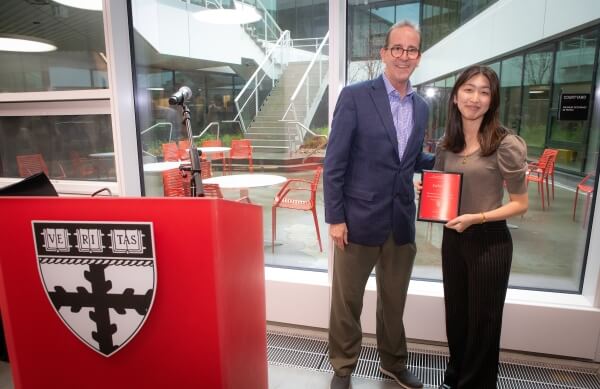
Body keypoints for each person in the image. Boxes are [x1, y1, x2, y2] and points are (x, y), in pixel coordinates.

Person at [324, 21, 434, 389]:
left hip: (401, 220)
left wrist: (455, 156)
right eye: (397, 49)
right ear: (384, 53)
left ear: (419, 57)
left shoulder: (420, 107)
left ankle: (393, 363)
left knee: (393, 301)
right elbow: (334, 162)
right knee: (347, 302)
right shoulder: (356, 96)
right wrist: (336, 218)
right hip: (356, 220)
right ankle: (342, 367)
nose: (404, 56)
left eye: (412, 50)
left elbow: (412, 158)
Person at [433, 65, 528, 389]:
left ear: (492, 100)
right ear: (456, 96)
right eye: (469, 89)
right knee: (457, 317)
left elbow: (520, 203)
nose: (475, 97)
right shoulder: (446, 143)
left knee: (483, 324)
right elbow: (443, 188)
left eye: (484, 91)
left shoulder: (505, 143)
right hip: (453, 239)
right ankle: (455, 378)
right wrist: (428, 192)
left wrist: (479, 217)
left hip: (489, 241)